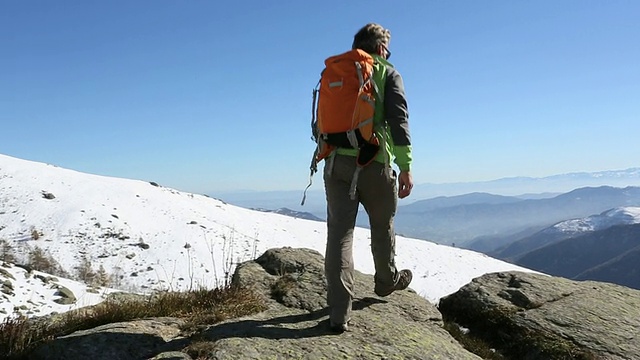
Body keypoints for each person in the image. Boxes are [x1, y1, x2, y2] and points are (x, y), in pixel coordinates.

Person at [323, 23, 414, 333]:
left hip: (336, 163)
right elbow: (399, 122)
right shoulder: (387, 73)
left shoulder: (337, 72)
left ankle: (338, 314)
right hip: (374, 162)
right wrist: (405, 167)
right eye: (387, 48)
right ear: (381, 48)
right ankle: (386, 281)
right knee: (382, 224)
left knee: (339, 235)